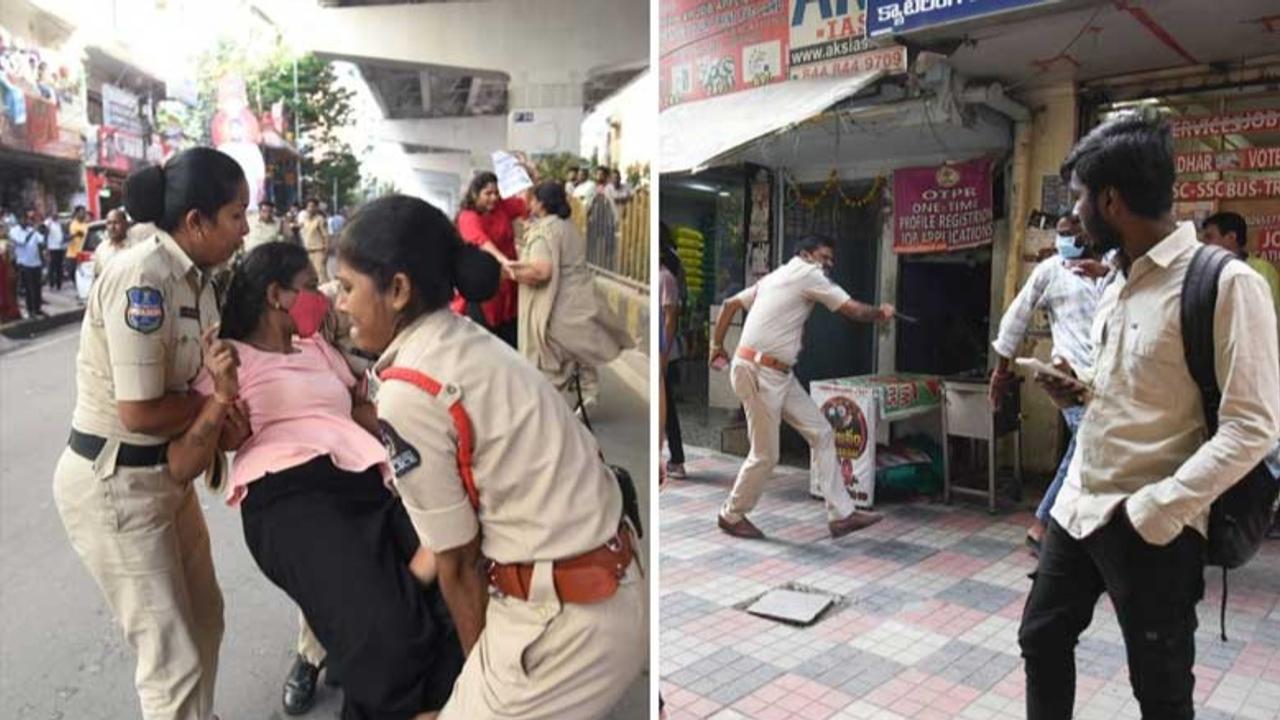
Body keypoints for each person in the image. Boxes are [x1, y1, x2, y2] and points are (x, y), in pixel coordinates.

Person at [335, 195, 645, 718]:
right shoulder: (464, 340)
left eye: (347, 287)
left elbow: (456, 561)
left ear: (399, 289)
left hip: (568, 619)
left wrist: (481, 677)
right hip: (607, 582)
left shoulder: (410, 388)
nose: (339, 303)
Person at [1017, 114, 1280, 720]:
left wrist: (1157, 510)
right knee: (1042, 638)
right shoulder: (1117, 280)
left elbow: (1253, 426)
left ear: (1111, 200)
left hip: (1151, 520)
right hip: (1079, 504)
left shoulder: (1227, 285)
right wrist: (1076, 392)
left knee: (1160, 690)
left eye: (1080, 198)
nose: (1075, 214)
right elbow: (1132, 390)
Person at [177, 241, 463, 719]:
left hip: (369, 483)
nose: (325, 298)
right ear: (277, 295)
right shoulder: (231, 358)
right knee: (384, 631)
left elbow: (360, 408)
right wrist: (223, 396)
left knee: (453, 595)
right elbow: (193, 459)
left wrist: (438, 425)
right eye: (311, 287)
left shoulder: (317, 349)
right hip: (291, 494)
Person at [51, 147, 250, 720]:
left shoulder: (200, 281)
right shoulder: (144, 276)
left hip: (166, 477)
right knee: (172, 660)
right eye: (236, 214)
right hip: (117, 485)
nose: (245, 228)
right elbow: (138, 411)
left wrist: (220, 407)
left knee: (206, 617)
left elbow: (204, 387)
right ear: (196, 221)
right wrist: (212, 402)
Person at [709, 235, 893, 540]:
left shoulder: (775, 277)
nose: (828, 265)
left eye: (831, 260)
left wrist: (717, 345)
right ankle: (731, 515)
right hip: (760, 372)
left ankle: (842, 516)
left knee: (821, 434)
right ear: (806, 255)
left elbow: (729, 305)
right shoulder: (809, 273)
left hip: (776, 373)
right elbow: (853, 310)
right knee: (765, 455)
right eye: (824, 257)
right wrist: (881, 313)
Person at [990, 213, 1116, 552]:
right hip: (1072, 381)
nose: (1063, 240)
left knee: (1086, 452)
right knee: (1086, 445)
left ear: (1087, 235)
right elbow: (1015, 319)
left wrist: (1108, 272)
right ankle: (1044, 526)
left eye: (1069, 234)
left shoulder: (1114, 265)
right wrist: (1001, 371)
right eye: (1059, 234)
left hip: (1112, 381)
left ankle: (1061, 527)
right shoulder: (1050, 271)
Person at [505, 181, 633, 405]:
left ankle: (546, 406)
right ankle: (589, 388)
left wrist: (509, 272)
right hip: (580, 297)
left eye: (533, 199)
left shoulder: (545, 231)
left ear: (542, 203)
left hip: (558, 302)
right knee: (576, 346)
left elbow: (542, 271)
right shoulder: (569, 226)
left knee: (551, 353)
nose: (529, 203)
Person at [452, 170, 530, 348]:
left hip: (508, 285)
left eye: (496, 193)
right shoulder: (467, 216)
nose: (494, 197)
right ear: (475, 194)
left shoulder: (501, 207)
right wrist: (502, 259)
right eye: (488, 193)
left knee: (512, 340)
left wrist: (527, 175)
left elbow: (526, 203)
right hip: (485, 287)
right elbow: (480, 239)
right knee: (486, 343)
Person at [1201, 211, 1280, 319]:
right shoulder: (1206, 271)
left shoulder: (1261, 269)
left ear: (1231, 238)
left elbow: (1272, 314)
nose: (1203, 243)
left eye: (1209, 237)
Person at [659, 223, 687, 479]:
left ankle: (676, 458)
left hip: (665, 349)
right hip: (664, 347)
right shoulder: (672, 266)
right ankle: (674, 458)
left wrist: (664, 355)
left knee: (667, 407)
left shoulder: (666, 276)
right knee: (666, 405)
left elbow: (670, 318)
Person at [12, 208, 45, 318]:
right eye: (25, 219)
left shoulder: (31, 230)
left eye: (28, 219)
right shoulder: (15, 231)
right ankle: (31, 310)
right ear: (19, 220)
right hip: (24, 264)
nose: (26, 221)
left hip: (36, 262)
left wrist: (42, 230)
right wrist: (33, 231)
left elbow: (42, 241)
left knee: (37, 287)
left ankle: (38, 309)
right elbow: (23, 241)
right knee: (29, 288)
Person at [92, 208, 132, 278]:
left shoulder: (135, 246)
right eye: (109, 223)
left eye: (116, 223)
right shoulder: (101, 249)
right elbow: (96, 276)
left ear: (126, 225)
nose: (112, 227)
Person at [300, 199, 330, 283]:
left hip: (318, 252)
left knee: (321, 277)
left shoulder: (320, 220)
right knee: (309, 278)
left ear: (316, 208)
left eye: (312, 206)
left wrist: (326, 253)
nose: (310, 209)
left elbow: (326, 237)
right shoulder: (305, 220)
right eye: (308, 206)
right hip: (308, 252)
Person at [44, 209, 66, 290]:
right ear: (51, 215)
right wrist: (46, 248)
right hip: (51, 248)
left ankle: (59, 284)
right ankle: (51, 283)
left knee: (59, 267)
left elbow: (62, 233)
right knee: (52, 267)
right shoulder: (48, 222)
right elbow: (46, 234)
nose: (56, 215)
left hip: (60, 247)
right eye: (54, 214)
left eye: (56, 214)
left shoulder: (59, 223)